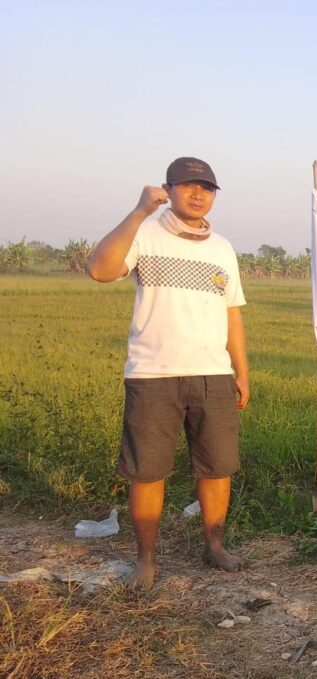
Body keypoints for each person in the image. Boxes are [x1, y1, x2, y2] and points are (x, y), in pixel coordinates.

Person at [87, 157, 250, 590]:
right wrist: (139, 210)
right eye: (188, 185)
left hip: (213, 373)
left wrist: (241, 371)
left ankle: (213, 545)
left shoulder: (222, 248)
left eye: (207, 188)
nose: (198, 194)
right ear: (168, 189)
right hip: (153, 374)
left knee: (217, 468)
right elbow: (100, 270)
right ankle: (146, 560)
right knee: (148, 471)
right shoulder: (144, 233)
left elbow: (232, 314)